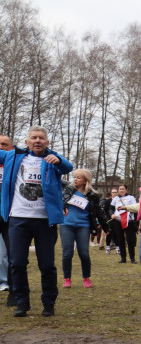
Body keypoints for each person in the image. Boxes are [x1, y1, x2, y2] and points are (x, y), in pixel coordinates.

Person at [0, 126, 74, 317]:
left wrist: (58, 159)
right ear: (27, 142)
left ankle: (48, 303)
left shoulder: (52, 159)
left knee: (47, 265)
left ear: (47, 143)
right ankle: (21, 302)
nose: (38, 141)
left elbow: (68, 167)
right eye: (34, 138)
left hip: (45, 221)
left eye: (41, 138)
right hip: (18, 218)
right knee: (16, 263)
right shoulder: (12, 157)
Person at [60, 169, 106, 288]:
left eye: (78, 177)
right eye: (74, 177)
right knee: (67, 253)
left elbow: (99, 212)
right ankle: (67, 279)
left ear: (86, 180)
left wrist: (106, 226)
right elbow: (57, 182)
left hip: (83, 226)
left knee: (84, 253)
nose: (75, 179)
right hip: (67, 224)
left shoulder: (92, 195)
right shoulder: (68, 189)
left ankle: (86, 278)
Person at [109, 184, 139, 264]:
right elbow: (111, 209)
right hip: (118, 221)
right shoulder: (115, 199)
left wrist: (133, 218)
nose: (121, 190)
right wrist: (112, 215)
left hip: (128, 221)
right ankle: (123, 258)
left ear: (126, 190)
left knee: (130, 240)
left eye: (123, 189)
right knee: (120, 240)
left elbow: (135, 208)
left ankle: (132, 258)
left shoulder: (131, 198)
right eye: (120, 189)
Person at [0, 134, 14, 298]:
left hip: (10, 215)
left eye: (4, 144)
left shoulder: (12, 167)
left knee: (9, 253)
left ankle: (7, 281)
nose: (1, 147)